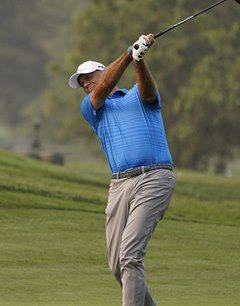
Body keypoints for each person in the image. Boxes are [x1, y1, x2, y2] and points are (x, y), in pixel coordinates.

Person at [68, 34, 175, 306]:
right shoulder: (92, 108)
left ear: (105, 70)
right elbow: (103, 88)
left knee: (129, 256)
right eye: (82, 82)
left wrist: (138, 59)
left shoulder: (136, 95)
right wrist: (130, 53)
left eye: (90, 76)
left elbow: (149, 92)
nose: (86, 84)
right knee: (118, 264)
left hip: (154, 178)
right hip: (119, 186)